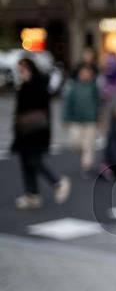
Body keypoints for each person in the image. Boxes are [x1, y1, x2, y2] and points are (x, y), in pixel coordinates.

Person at [11, 58, 71, 209]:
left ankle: (57, 183)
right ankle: (32, 195)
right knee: (25, 163)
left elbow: (42, 111)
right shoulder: (24, 86)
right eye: (20, 71)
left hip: (36, 131)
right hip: (24, 131)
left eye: (23, 70)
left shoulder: (39, 85)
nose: (22, 73)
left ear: (30, 69)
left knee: (34, 162)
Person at [63, 64, 101, 177]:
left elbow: (98, 103)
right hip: (76, 120)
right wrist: (65, 118)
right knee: (75, 143)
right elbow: (68, 103)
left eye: (88, 73)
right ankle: (84, 158)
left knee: (89, 144)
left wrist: (99, 117)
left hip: (91, 120)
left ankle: (86, 166)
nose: (85, 75)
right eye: (83, 72)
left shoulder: (94, 87)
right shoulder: (73, 87)